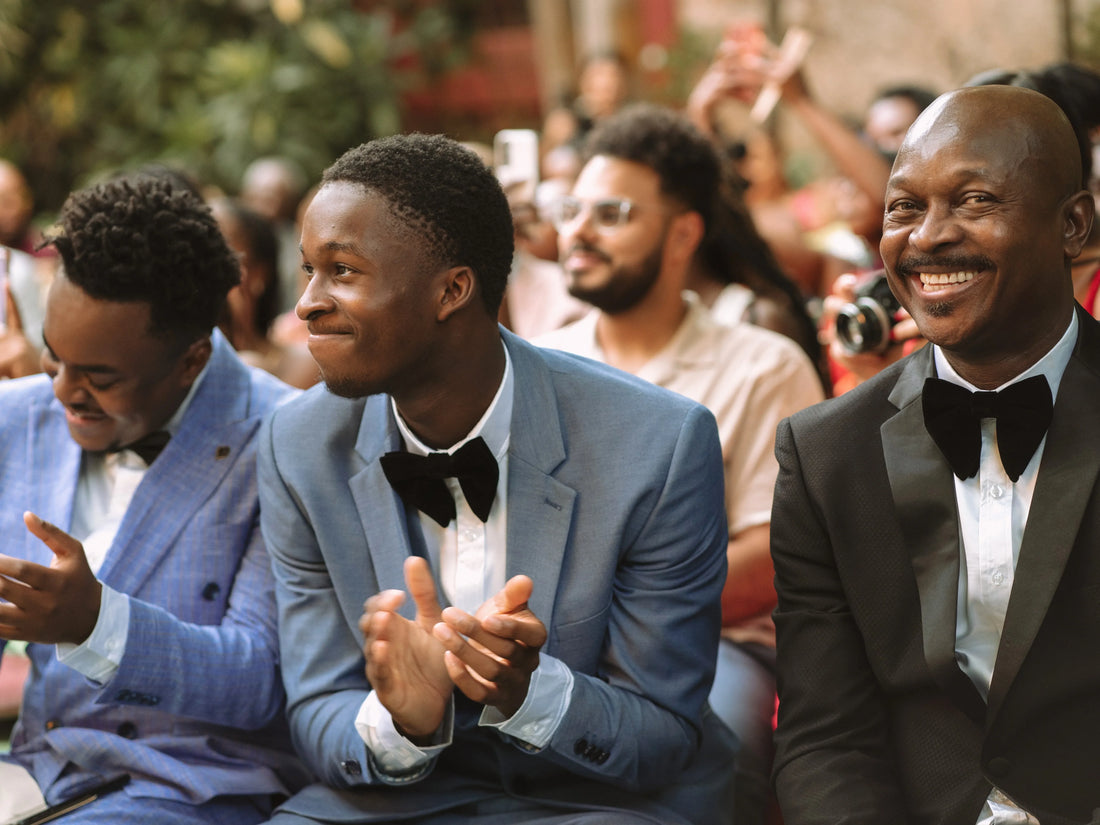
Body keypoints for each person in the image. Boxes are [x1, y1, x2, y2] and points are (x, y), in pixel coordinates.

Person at [257, 133, 736, 825]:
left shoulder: (657, 443)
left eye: (343, 271)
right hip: (397, 801)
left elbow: (661, 732)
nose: (307, 302)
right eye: (307, 270)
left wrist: (527, 691)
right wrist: (404, 722)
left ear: (452, 289)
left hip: (594, 801)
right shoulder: (298, 443)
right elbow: (315, 706)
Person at [770, 85, 1100, 823]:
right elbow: (826, 737)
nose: (926, 237)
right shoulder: (825, 453)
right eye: (903, 207)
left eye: (975, 200)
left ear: (1073, 223)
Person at [536, 103, 824, 825]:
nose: (579, 231)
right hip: (550, 651)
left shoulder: (761, 366)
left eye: (614, 214)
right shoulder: (538, 359)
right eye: (573, 209)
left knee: (714, 755)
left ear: (684, 233)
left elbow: (775, 555)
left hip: (717, 650)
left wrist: (608, 618)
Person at [0, 173, 307, 823]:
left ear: (192, 359)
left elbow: (259, 681)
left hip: (195, 787)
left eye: (99, 376)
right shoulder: (15, 418)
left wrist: (95, 623)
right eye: (55, 359)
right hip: (34, 772)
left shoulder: (289, 438)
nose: (61, 392)